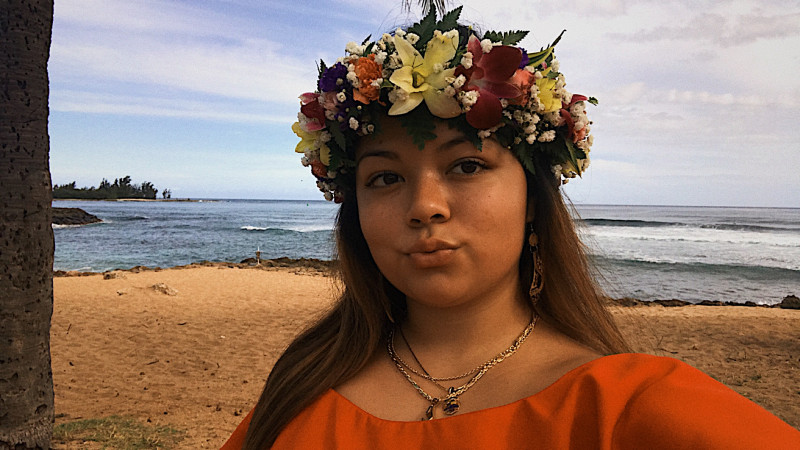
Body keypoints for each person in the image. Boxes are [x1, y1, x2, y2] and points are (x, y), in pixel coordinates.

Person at [222, 7, 800, 449]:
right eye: (384, 179)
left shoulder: (627, 408)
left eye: (467, 165)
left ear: (531, 198)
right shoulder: (296, 396)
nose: (425, 206)